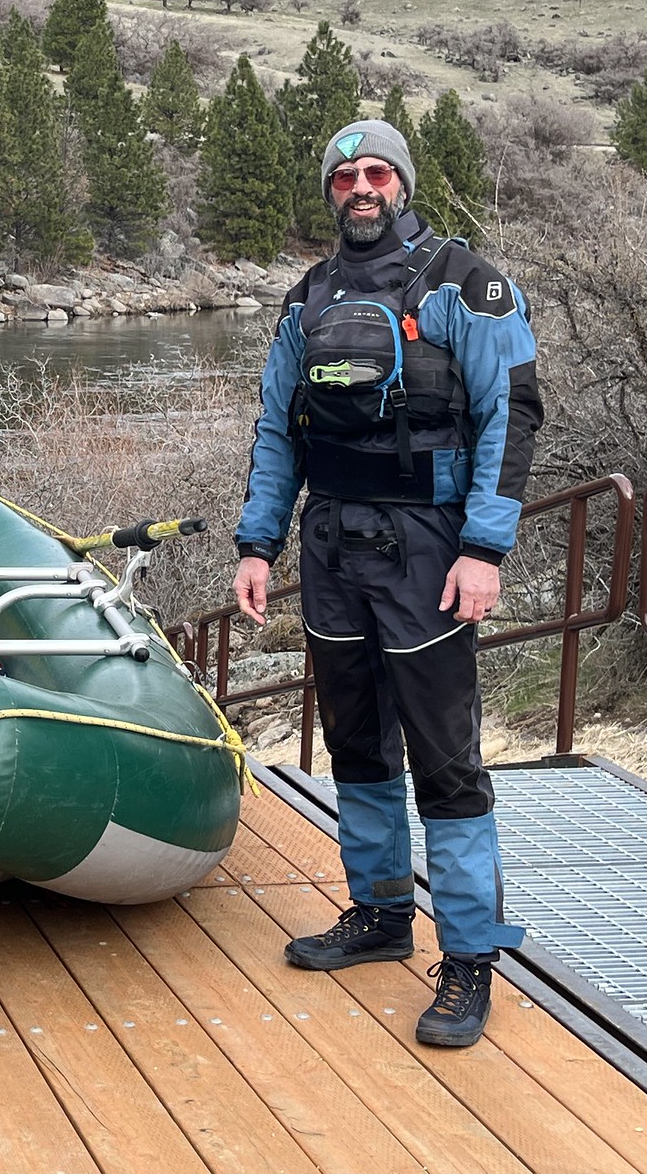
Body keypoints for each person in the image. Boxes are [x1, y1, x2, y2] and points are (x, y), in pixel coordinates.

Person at [232, 120, 542, 1048]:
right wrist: (258, 543)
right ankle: (378, 912)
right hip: (329, 543)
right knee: (357, 740)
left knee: (446, 759)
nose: (360, 188)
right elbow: (278, 427)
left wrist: (484, 551)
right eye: (344, 176)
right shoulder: (309, 295)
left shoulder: (469, 285)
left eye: (376, 174)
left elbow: (511, 414)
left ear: (401, 183)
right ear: (330, 191)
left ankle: (469, 958)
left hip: (428, 548)